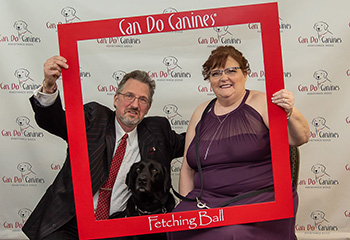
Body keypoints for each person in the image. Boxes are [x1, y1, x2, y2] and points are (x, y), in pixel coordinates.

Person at [22, 56, 185, 240]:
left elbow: (196, 144)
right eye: (129, 96)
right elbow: (55, 122)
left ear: (148, 108)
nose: (134, 104)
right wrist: (49, 86)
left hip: (119, 226)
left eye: (142, 100)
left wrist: (223, 108)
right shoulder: (94, 118)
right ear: (116, 99)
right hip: (71, 222)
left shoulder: (157, 131)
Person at [167, 46, 310, 240]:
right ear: (209, 79)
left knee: (230, 233)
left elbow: (300, 138)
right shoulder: (200, 112)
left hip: (259, 199)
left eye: (231, 70)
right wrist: (187, 206)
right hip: (208, 201)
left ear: (245, 73)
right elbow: (187, 167)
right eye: (216, 73)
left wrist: (290, 111)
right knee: (177, 225)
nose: (223, 77)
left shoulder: (264, 102)